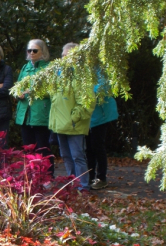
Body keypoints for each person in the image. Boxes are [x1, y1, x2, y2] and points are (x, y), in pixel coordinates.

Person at [49, 42, 94, 190]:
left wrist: (74, 118)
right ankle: (72, 184)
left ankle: (83, 187)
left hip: (74, 124)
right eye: (63, 55)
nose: (64, 58)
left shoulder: (82, 75)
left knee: (77, 156)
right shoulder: (59, 74)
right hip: (60, 124)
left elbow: (87, 102)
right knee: (66, 156)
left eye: (68, 55)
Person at [15, 39, 54, 170]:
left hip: (41, 114)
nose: (31, 53)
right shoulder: (25, 68)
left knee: (43, 149)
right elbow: (17, 87)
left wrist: (33, 91)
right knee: (28, 149)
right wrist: (18, 93)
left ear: (42, 52)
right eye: (29, 50)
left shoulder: (48, 68)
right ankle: (33, 177)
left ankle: (48, 177)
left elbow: (52, 91)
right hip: (25, 115)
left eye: (35, 50)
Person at [87, 78, 118, 190]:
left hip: (100, 117)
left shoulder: (100, 72)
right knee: (89, 148)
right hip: (87, 117)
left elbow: (102, 90)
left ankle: (101, 178)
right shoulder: (82, 69)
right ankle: (90, 177)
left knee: (97, 146)